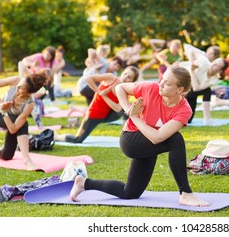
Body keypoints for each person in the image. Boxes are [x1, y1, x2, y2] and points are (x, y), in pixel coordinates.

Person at [69, 65, 209, 207]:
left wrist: (135, 116)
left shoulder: (184, 110)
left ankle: (83, 183)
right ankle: (186, 193)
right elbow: (120, 88)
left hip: (149, 143)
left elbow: (157, 137)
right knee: (176, 140)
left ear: (179, 90)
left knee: (129, 193)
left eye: (167, 83)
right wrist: (129, 110)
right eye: (163, 79)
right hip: (131, 139)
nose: (160, 84)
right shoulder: (151, 88)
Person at [0, 71, 48, 170]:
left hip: (11, 121)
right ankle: (27, 160)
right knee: (24, 124)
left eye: (21, 88)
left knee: (6, 155)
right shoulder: (16, 80)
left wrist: (5, 112)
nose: (17, 87)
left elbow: (13, 129)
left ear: (28, 92)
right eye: (18, 85)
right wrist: (0, 104)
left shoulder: (30, 104)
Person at [54, 66, 140, 143]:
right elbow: (88, 79)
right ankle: (57, 136)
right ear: (122, 72)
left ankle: (125, 136)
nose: (125, 77)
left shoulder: (125, 91)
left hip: (106, 116)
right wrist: (99, 91)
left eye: (129, 77)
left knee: (127, 108)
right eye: (125, 74)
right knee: (77, 140)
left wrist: (105, 96)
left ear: (132, 81)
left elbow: (118, 109)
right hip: (94, 115)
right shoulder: (110, 77)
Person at [182, 44, 228, 125]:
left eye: (217, 65)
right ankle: (208, 119)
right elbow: (191, 50)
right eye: (214, 62)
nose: (213, 64)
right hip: (183, 88)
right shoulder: (204, 61)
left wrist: (192, 71)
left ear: (220, 71)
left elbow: (196, 88)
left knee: (188, 121)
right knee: (207, 91)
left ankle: (207, 119)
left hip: (192, 91)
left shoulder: (215, 79)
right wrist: (192, 63)